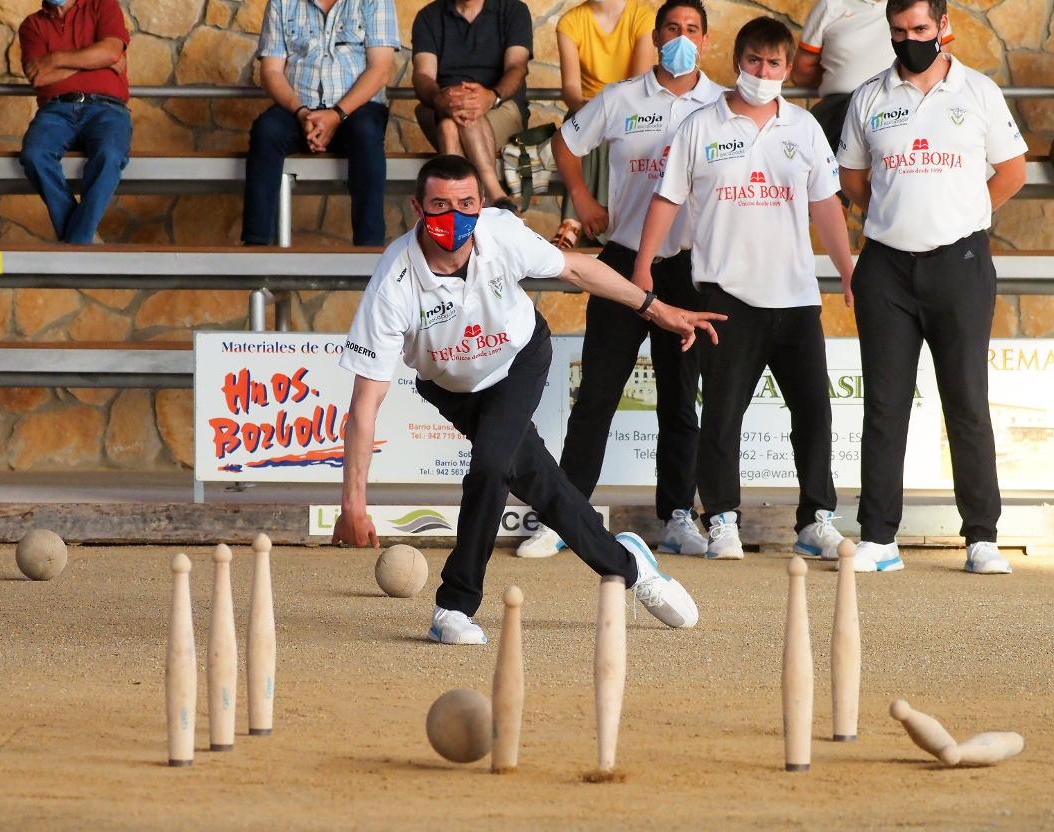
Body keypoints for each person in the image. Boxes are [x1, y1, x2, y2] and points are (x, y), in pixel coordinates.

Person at [331, 154, 724, 644]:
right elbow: (364, 405)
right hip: (452, 387)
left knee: (492, 464)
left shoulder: (501, 233)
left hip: (519, 358)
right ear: (417, 207)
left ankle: (454, 605)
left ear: (480, 204)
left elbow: (579, 271)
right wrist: (353, 502)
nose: (454, 216)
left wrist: (656, 309)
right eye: (439, 205)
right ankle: (629, 564)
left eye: (466, 203)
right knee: (535, 478)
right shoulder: (394, 283)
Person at [633, 16, 856, 561]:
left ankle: (816, 519)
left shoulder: (803, 129)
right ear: (737, 61)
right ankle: (724, 520)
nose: (763, 72)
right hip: (724, 296)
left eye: (774, 63)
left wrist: (849, 269)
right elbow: (666, 200)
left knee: (813, 413)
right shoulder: (699, 126)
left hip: (797, 297)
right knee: (724, 413)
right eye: (754, 61)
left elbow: (826, 206)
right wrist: (642, 267)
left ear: (786, 68)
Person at [519, 0, 724, 559]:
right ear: (655, 36)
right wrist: (581, 197)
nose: (681, 38)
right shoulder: (620, 97)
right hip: (619, 262)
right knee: (597, 397)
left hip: (686, 269)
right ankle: (564, 517)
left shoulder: (721, 106)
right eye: (672, 29)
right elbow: (563, 142)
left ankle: (680, 515)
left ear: (704, 40)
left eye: (691, 30)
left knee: (680, 399)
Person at [836, 0, 1027, 575]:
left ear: (944, 27)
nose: (909, 40)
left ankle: (982, 537)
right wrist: (895, 218)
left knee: (966, 400)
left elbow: (1012, 171)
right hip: (886, 268)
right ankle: (878, 538)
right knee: (885, 404)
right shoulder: (869, 96)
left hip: (960, 263)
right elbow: (852, 178)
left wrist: (964, 220)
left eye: (920, 29)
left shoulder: (980, 92)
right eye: (899, 31)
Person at [243, 0, 399, 247]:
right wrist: (301, 112)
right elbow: (271, 71)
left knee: (366, 133)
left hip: (357, 109)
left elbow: (380, 69)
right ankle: (255, 245)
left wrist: (336, 115)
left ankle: (369, 246)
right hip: (299, 109)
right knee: (267, 130)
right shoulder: (282, 3)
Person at [17, 0, 131, 245]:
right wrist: (97, 61)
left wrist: (55, 58)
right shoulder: (32, 25)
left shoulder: (103, 5)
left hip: (107, 109)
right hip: (56, 110)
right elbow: (39, 76)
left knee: (110, 155)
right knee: (35, 155)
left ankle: (75, 241)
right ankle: (83, 237)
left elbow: (111, 51)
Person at [553, 0, 656, 248]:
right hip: (586, 108)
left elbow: (638, 83)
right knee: (585, 124)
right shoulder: (570, 22)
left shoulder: (642, 16)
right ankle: (577, 220)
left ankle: (575, 222)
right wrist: (584, 104)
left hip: (630, 109)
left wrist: (606, 108)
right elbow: (570, 88)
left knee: (601, 123)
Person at [412, 0, 532, 212]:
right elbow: (422, 75)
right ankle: (495, 196)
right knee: (455, 118)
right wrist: (441, 100)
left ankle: (454, 206)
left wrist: (491, 96)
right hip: (441, 107)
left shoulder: (514, 10)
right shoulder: (428, 17)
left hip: (500, 107)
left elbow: (517, 67)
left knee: (454, 123)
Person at [791, 0, 953, 156]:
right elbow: (801, 72)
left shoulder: (924, 5)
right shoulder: (830, 4)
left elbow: (939, 61)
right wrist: (844, 82)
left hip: (904, 102)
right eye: (898, 30)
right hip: (839, 109)